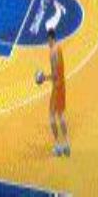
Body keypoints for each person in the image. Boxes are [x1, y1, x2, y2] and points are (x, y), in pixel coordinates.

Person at [37, 29, 70, 157]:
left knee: (51, 116)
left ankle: (57, 146)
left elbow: (55, 75)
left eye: (48, 41)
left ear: (50, 39)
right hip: (62, 86)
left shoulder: (52, 53)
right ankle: (66, 144)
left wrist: (43, 78)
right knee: (61, 116)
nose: (48, 43)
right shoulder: (59, 49)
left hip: (56, 88)